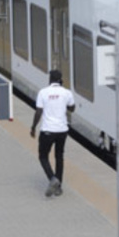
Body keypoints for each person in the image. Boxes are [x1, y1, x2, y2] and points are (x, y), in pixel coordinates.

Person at [30, 69, 75, 197]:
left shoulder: (43, 92)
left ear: (50, 79)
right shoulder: (67, 93)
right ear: (61, 80)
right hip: (62, 130)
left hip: (48, 130)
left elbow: (38, 112)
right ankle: (58, 187)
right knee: (59, 156)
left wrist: (33, 127)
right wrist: (63, 104)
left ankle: (52, 179)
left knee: (43, 156)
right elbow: (72, 108)